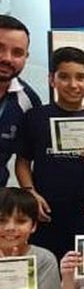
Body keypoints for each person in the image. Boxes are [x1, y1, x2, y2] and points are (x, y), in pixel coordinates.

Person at [15, 47, 84, 289]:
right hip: (46, 215)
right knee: (49, 285)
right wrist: (30, 192)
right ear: (51, 79)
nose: (73, 84)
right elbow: (23, 161)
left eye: (80, 77)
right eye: (64, 77)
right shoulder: (36, 118)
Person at [0, 15, 41, 186]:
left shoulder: (29, 101)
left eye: (17, 52)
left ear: (26, 56)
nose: (7, 58)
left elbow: (25, 158)